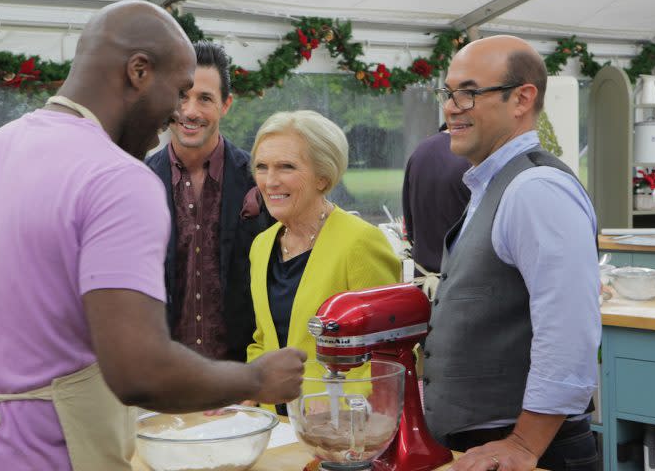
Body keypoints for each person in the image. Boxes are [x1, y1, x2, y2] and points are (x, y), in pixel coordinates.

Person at [0, 1, 305, 471]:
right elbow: (140, 370)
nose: (177, 112)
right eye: (177, 91)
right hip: (51, 455)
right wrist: (256, 380)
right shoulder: (118, 176)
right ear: (138, 72)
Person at [423, 35, 601, 471]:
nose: (451, 106)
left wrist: (524, 443)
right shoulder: (497, 185)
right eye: (448, 93)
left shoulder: (536, 189)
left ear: (521, 99)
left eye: (468, 92)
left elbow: (569, 330)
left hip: (533, 453)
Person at [246, 110, 401, 413]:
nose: (270, 181)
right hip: (274, 429)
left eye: (286, 167)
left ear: (323, 177)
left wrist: (337, 405)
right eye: (261, 167)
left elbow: (389, 353)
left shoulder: (360, 242)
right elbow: (263, 341)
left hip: (342, 427)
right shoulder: (261, 246)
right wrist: (248, 389)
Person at [146, 41, 271, 361]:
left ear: (226, 104)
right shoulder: (138, 182)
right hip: (163, 378)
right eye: (181, 96)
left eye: (204, 98)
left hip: (242, 379)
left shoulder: (260, 179)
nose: (190, 111)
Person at [402, 124, 470, 279]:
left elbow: (409, 229)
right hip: (462, 286)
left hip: (424, 283)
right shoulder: (473, 155)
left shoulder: (420, 152)